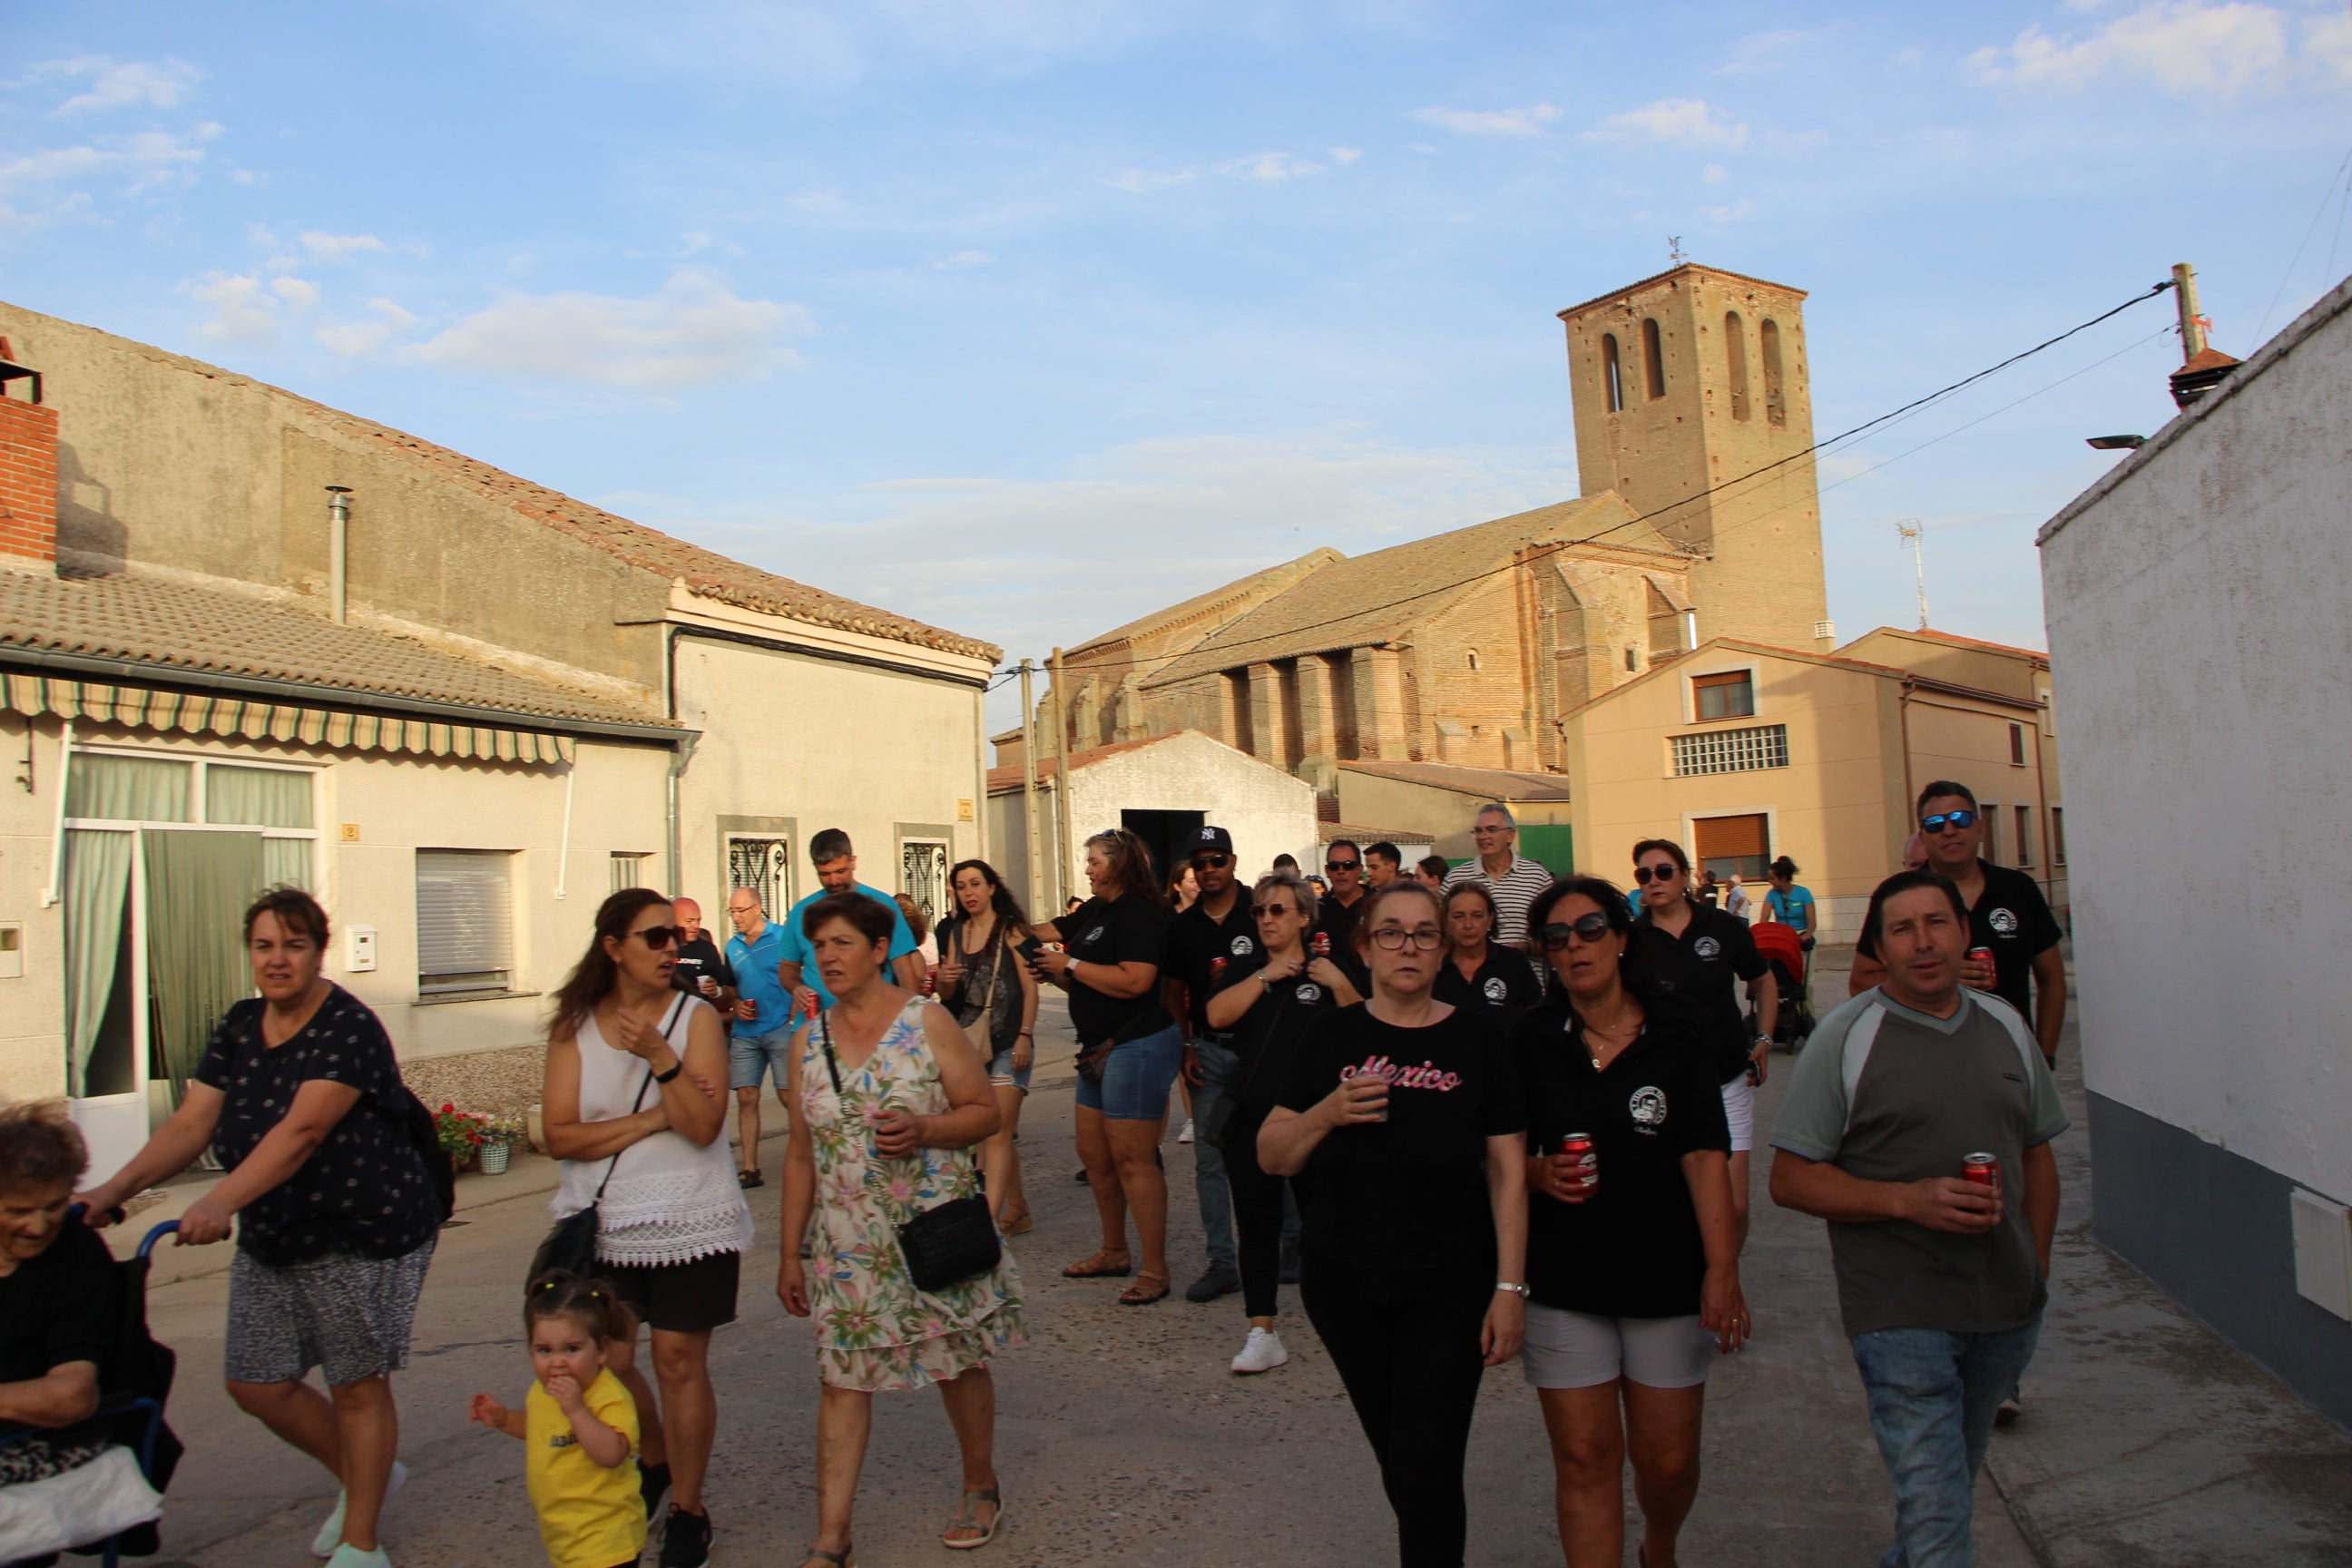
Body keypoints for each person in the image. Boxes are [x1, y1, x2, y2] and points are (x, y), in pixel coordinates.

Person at [78, 888, 439, 1568]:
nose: (277, 960)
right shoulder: (241, 1026)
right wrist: (112, 1189)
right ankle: (369, 1477)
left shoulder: (348, 1028)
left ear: (318, 952)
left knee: (357, 1385)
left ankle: (362, 1542)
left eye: (293, 946)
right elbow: (191, 1123)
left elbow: (301, 1133)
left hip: (359, 1231)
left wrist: (218, 1202)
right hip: (277, 1229)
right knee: (255, 1381)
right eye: (264, 946)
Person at [1769, 868, 2066, 1568]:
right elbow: (1789, 1179)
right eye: (1902, 930)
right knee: (1937, 1517)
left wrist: (2038, 1271)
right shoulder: (1845, 1038)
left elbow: (2038, 1156)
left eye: (1937, 923)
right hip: (1899, 1312)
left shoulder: (2006, 1027)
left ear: (1965, 933)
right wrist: (1907, 1200)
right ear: (1878, 948)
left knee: (1945, 1495)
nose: (1923, 942)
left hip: (2004, 1311)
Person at [1259, 882, 1528, 1568]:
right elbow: (1271, 1154)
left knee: (1427, 1464)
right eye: (1391, 933)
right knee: (1402, 1457)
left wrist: (1510, 1288)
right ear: (1364, 947)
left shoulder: (1481, 1039)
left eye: (1424, 934)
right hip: (1344, 1286)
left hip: (1451, 1285)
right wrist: (1327, 1112)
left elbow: (1507, 1170)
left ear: (1444, 946)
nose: (1408, 947)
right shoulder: (1331, 1035)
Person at [777, 891, 1022, 1565]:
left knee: (957, 1362)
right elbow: (800, 1155)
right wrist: (789, 1255)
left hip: (929, 1234)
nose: (826, 956)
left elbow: (984, 1114)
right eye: (817, 945)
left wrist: (925, 1129)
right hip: (845, 1248)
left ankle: (981, 1485)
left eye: (841, 943)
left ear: (880, 951)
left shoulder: (928, 1021)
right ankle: (832, 1539)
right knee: (842, 1380)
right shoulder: (807, 1040)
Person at [1513, 878, 1748, 1568]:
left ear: (1620, 938)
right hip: (1563, 1279)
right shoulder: (1529, 1039)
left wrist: (1722, 1269)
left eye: (1589, 929)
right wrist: (1535, 1172)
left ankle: (1660, 1546)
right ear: (1546, 957)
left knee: (1668, 1464)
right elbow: (1497, 1150)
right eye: (1556, 938)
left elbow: (1707, 1154)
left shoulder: (1677, 1034)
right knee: (1584, 1458)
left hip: (1666, 1275)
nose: (1575, 946)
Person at [541, 889, 751, 1568]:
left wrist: (663, 1058)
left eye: (673, 937)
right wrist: (651, 1118)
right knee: (613, 1360)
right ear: (613, 948)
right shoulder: (575, 1024)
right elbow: (560, 1135)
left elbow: (701, 1126)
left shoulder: (696, 1020)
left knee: (679, 1362)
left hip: (690, 1214)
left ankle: (688, 1508)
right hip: (603, 1222)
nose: (671, 948)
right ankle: (654, 1454)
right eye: (654, 937)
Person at [1203, 870, 1358, 1373]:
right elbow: (1217, 1017)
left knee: (1326, 1223)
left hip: (1315, 1120)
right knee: (1257, 1223)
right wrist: (1265, 976)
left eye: (1277, 911)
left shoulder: (1331, 969)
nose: (1266, 919)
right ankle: (1262, 1330)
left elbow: (1365, 1031)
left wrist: (1338, 984)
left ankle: (1341, 1320)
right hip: (1251, 1117)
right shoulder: (1245, 968)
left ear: (1304, 918)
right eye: (1260, 911)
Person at [1028, 828, 1184, 1305]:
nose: (1088, 868)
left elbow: (1136, 981)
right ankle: (1114, 1251)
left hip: (1136, 1044)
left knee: (1133, 1160)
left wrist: (1068, 967)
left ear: (1118, 863)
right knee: (1095, 1156)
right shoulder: (1097, 911)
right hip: (1096, 1049)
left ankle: (1156, 1269)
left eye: (1094, 860)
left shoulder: (1139, 913)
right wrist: (1000, 923)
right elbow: (1047, 934)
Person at [1, 1101, 155, 1544]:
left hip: (39, 1438)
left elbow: (71, 1397)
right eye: (17, 1211)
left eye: (53, 1206)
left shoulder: (75, 1257)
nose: (38, 1226)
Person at [1849, 782, 2068, 1068]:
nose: (1949, 830)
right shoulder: (1897, 897)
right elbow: (1860, 982)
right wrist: (1930, 980)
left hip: (2008, 1059)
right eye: (1936, 824)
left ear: (1980, 827)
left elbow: (2052, 980)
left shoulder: (2019, 889)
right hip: (1924, 1060)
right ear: (1923, 836)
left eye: (1961, 820)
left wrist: (2044, 1057)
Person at [1626, 840, 1777, 1250]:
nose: (1653, 881)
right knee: (1678, 1201)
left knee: (1736, 1207)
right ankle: (1692, 1286)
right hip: (1664, 1088)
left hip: (1727, 1079)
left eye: (1663, 871)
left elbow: (1762, 982)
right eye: (1643, 874)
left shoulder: (1723, 928)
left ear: (1686, 875)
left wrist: (1763, 1038)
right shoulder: (1630, 941)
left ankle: (1726, 1277)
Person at [468, 1272, 648, 1568]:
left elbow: (612, 1453)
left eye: (572, 1349)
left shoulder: (608, 1396)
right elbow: (541, 1428)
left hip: (606, 1534)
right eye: (544, 1351)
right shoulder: (543, 1392)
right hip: (563, 1533)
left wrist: (577, 1411)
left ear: (601, 1350)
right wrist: (503, 1419)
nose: (557, 1362)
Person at [1159, 825, 1261, 1304]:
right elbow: (1173, 994)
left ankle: (1287, 1249)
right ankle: (1223, 1261)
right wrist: (1183, 1047)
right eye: (1200, 863)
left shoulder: (1262, 911)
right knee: (1209, 1161)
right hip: (1210, 1052)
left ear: (1234, 862)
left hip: (1262, 1050)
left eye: (1216, 860)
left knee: (1272, 1151)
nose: (1208, 870)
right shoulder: (1182, 928)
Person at [933, 858, 1041, 1234]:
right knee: (986, 1131)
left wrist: (1025, 1035)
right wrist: (943, 981)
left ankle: (989, 1222)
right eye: (961, 887)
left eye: (975, 884)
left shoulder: (1011, 930)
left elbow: (1031, 988)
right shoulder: (955, 932)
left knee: (998, 1131)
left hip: (1010, 1041)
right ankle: (1019, 1208)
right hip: (969, 1043)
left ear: (992, 887)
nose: (969, 893)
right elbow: (949, 996)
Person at [779, 830, 924, 1015]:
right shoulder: (802, 911)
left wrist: (912, 1020)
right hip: (815, 1023)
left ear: (853, 862)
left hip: (874, 1021)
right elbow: (787, 967)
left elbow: (903, 969)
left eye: (840, 871)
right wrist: (796, 988)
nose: (834, 881)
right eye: (825, 874)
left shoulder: (882, 905)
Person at [723, 887, 795, 1190]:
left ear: (757, 908)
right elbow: (729, 987)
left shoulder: (781, 937)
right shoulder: (732, 946)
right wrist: (736, 1004)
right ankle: (750, 1168)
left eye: (740, 911)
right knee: (746, 1097)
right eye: (732, 912)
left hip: (779, 1027)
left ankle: (809, 1152)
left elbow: (798, 978)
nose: (736, 917)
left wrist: (793, 1018)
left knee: (787, 1096)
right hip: (746, 1031)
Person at [1440, 804, 1553, 947]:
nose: (1483, 836)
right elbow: (1442, 932)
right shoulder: (1455, 878)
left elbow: (1554, 935)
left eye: (1491, 830)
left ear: (1510, 835)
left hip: (1525, 968)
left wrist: (1525, 948)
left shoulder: (1537, 877)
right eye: (1478, 831)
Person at [1432, 882, 1542, 1024]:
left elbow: (1537, 1017)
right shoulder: (1435, 969)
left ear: (1490, 920)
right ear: (1446, 922)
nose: (1468, 925)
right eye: (1459, 916)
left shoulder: (1514, 961)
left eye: (1477, 916)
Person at [667, 897, 735, 1017]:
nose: (696, 926)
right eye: (689, 921)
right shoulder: (662, 947)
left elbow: (725, 995)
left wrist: (716, 992)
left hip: (697, 1018)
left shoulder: (707, 950)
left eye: (698, 921)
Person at [1317, 838, 1370, 953]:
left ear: (1359, 870)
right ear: (1327, 871)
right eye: (1334, 866)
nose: (1341, 871)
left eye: (1348, 865)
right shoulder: (1317, 910)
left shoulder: (1377, 904)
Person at [1763, 857, 1817, 947]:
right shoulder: (1771, 894)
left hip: (1801, 937)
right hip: (1782, 937)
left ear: (1783, 878)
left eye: (1772, 878)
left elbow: (1812, 922)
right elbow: (1764, 920)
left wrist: (1807, 935)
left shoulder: (1804, 893)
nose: (1770, 881)